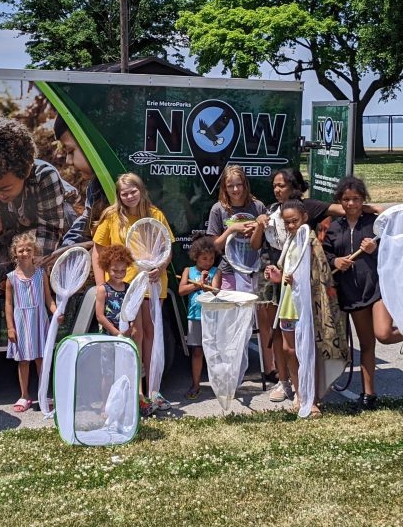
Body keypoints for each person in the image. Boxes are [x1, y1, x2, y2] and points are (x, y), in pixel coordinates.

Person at [254, 167, 382, 404]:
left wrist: (367, 207)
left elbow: (344, 209)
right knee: (286, 343)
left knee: (310, 343)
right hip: (284, 287)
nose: (277, 189)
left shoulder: (310, 212)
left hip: (311, 290)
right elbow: (261, 246)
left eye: (282, 185)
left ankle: (311, 394)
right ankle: (290, 386)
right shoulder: (272, 211)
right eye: (275, 186)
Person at [323, 176, 403, 410]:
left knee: (383, 334)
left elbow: (395, 247)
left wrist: (376, 247)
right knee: (367, 344)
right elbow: (325, 255)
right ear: (340, 200)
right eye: (346, 199)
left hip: (378, 288)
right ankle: (368, 396)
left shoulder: (375, 224)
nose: (351, 203)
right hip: (352, 293)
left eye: (356, 199)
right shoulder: (334, 227)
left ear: (363, 200)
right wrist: (335, 261)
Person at [92, 173, 176, 414]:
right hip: (125, 286)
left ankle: (153, 391)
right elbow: (97, 252)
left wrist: (160, 267)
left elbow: (167, 249)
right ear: (118, 196)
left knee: (151, 334)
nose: (129, 196)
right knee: (134, 335)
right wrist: (102, 286)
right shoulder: (111, 216)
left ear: (141, 190)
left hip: (153, 284)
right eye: (124, 193)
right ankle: (136, 392)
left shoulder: (155, 214)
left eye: (133, 191)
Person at [264, 199, 349, 417]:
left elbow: (320, 275)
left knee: (309, 351)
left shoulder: (311, 243)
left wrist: (298, 280)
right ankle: (300, 394)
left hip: (308, 306)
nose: (291, 225)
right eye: (287, 222)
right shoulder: (291, 241)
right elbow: (288, 273)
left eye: (294, 221)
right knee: (290, 351)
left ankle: (313, 398)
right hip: (289, 304)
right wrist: (278, 276)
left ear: (304, 218)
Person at [0, 117, 77, 268]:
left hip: (52, 223)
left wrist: (37, 264)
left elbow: (50, 229)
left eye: (5, 189)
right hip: (17, 228)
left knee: (67, 216)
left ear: (27, 170)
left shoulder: (44, 177)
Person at [205, 165, 274, 379]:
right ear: (224, 188)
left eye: (239, 184)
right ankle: (231, 370)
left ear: (245, 184)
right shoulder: (218, 209)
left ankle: (270, 368)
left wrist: (258, 227)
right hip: (229, 271)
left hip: (256, 270)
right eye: (230, 186)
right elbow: (214, 246)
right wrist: (232, 229)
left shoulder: (257, 206)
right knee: (230, 323)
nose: (235, 190)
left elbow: (264, 241)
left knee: (263, 320)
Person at [4, 232, 60, 412]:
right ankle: (24, 395)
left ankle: (43, 394)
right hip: (21, 323)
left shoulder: (41, 274)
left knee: (41, 359)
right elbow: (8, 304)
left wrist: (56, 312)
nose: (25, 253)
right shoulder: (11, 278)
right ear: (15, 253)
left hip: (39, 321)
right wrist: (10, 327)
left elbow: (48, 299)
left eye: (28, 249)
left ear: (34, 251)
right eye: (21, 250)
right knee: (23, 360)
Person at [54, 115, 108, 248]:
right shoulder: (95, 187)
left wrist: (86, 245)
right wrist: (66, 248)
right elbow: (86, 222)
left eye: (70, 151)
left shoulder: (126, 186)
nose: (68, 161)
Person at [178, 234, 221, 400]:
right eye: (204, 259)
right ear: (196, 257)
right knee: (197, 351)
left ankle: (219, 384)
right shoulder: (188, 271)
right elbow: (181, 290)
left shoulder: (216, 271)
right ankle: (196, 384)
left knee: (214, 351)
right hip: (194, 316)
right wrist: (197, 285)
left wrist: (206, 284)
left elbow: (216, 291)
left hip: (212, 316)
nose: (208, 262)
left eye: (211, 259)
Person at [95, 244, 136, 337]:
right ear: (106, 268)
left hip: (126, 335)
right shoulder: (103, 289)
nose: (119, 274)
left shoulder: (129, 288)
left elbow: (133, 311)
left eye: (123, 270)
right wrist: (116, 333)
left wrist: (131, 327)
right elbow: (100, 316)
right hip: (108, 336)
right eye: (115, 270)